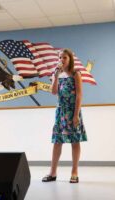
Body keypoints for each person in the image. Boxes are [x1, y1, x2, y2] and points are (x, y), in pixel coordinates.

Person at [42, 49, 87, 184]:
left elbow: (79, 95)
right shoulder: (57, 74)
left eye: (65, 58)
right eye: (60, 57)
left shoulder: (75, 73)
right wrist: (55, 75)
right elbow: (54, 92)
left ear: (70, 59)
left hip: (73, 111)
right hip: (60, 112)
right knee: (57, 142)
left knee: (74, 141)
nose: (62, 60)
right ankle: (53, 172)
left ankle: (74, 172)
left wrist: (76, 115)